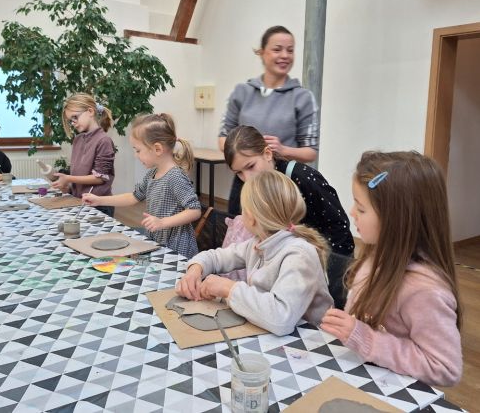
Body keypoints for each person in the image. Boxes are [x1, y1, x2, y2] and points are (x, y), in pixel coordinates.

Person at [320, 151, 462, 387]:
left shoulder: (424, 290)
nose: (352, 213)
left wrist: (365, 338)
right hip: (360, 376)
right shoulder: (375, 256)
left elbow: (446, 369)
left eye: (361, 209)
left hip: (393, 391)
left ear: (396, 220)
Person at [176, 170, 333, 336]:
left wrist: (229, 288)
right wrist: (196, 268)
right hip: (268, 330)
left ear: (250, 218)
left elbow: (281, 318)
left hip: (313, 340)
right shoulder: (258, 242)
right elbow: (217, 257)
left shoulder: (300, 255)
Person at [218, 25, 319, 214]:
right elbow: (223, 139)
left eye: (290, 50)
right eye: (277, 49)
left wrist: (283, 150)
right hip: (245, 184)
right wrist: (245, 156)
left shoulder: (303, 98)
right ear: (262, 53)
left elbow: (311, 152)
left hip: (282, 186)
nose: (285, 55)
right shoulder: (242, 92)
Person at [83, 113, 201, 259]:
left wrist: (162, 222)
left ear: (157, 149)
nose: (135, 155)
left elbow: (194, 211)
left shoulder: (175, 176)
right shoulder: (152, 173)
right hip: (159, 241)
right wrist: (99, 200)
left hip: (177, 249)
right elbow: (133, 197)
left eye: (138, 150)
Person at [224, 126, 354, 257]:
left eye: (251, 166)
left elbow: (339, 226)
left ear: (268, 154)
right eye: (239, 173)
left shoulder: (303, 178)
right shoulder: (247, 185)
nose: (247, 178)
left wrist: (326, 263)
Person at [52, 93, 115, 216]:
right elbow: (78, 174)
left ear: (90, 111)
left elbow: (100, 178)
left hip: (99, 206)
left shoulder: (104, 141)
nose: (73, 123)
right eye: (71, 120)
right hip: (79, 202)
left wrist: (68, 178)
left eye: (75, 117)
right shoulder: (77, 139)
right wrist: (68, 188)